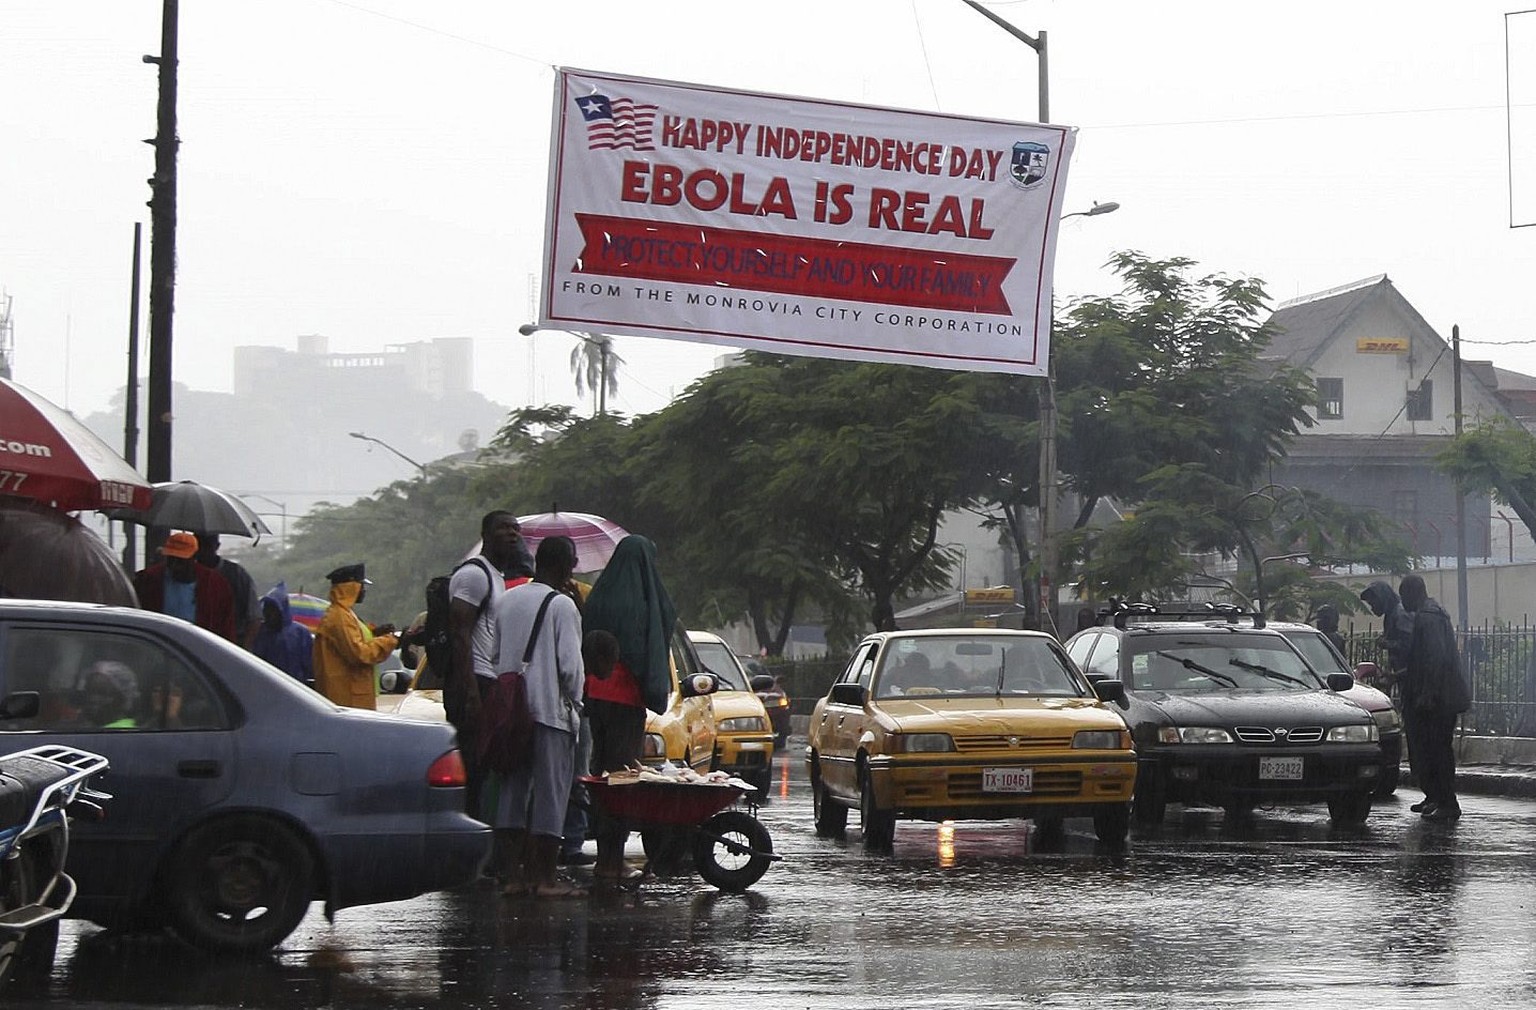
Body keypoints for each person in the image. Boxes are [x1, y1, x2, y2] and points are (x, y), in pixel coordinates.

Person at [489, 534, 586, 898]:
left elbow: (497, 656)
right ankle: (545, 878)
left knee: (513, 792)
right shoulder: (563, 606)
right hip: (551, 713)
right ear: (563, 565)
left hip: (512, 714)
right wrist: (575, 706)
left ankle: (512, 876)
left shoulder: (506, 601)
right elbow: (570, 668)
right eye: (572, 562)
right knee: (551, 794)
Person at [582, 534, 677, 884]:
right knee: (621, 778)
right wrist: (650, 686)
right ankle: (611, 861)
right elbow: (642, 652)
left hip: (595, 694)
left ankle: (606, 855)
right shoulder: (638, 603)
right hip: (624, 699)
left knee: (601, 774)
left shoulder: (599, 597)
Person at [449, 510, 528, 821]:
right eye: (503, 529)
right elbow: (460, 633)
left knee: (482, 770)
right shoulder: (474, 575)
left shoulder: (496, 576)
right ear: (485, 535)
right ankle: (464, 848)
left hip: (487, 681)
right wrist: (470, 693)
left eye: (515, 529)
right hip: (473, 683)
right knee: (470, 768)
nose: (512, 534)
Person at [1399, 575, 1471, 822]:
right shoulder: (1436, 613)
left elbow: (1435, 658)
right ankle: (1435, 798)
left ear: (1411, 593)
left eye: (1403, 595)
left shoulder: (1427, 617)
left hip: (1437, 700)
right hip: (1445, 696)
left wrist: (1427, 693)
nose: (1402, 601)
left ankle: (1447, 802)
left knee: (1436, 750)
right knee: (1433, 749)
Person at [312, 562, 399, 709]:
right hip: (347, 697)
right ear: (351, 587)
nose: (364, 591)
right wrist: (391, 641)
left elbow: (352, 640)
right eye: (361, 586)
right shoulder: (339, 617)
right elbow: (360, 653)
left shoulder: (345, 613)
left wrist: (375, 633)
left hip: (351, 695)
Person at [132, 530, 238, 642]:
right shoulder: (148, 579)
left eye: (181, 560)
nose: (175, 566)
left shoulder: (215, 585)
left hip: (199, 648)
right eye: (171, 559)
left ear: (194, 557)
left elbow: (226, 626)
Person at [195, 533, 261, 649]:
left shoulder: (236, 574)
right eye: (199, 545)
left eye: (207, 545)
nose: (203, 550)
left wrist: (244, 649)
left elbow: (254, 617)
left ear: (217, 546)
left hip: (230, 644)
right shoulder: (187, 573)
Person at [252, 581, 315, 687]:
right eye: (266, 609)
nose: (268, 614)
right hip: (266, 685)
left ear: (282, 610)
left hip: (296, 687)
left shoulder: (300, 632)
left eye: (273, 610)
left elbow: (309, 664)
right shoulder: (260, 632)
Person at [79, 659, 139, 729]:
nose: (93, 699)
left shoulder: (122, 733)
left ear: (123, 698)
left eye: (103, 693)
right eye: (89, 691)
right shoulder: (92, 727)